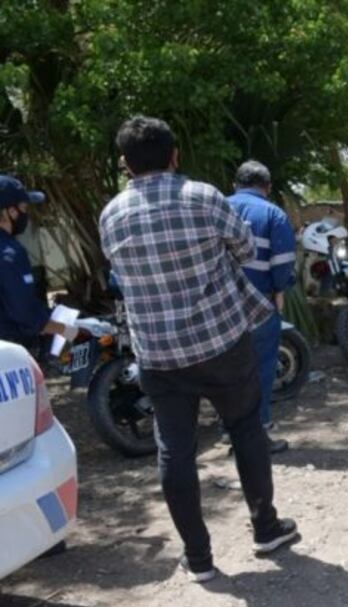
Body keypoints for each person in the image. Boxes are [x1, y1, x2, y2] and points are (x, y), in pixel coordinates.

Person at [99, 116, 297, 582]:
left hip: (158, 354)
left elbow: (118, 272)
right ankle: (266, 529)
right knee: (246, 430)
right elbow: (245, 251)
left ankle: (199, 558)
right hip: (221, 341)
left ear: (125, 164)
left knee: (175, 450)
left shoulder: (111, 214)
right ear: (175, 155)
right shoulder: (204, 196)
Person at [227, 160, 294, 454]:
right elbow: (283, 261)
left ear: (235, 185)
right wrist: (280, 289)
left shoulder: (216, 208)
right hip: (260, 304)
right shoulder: (272, 214)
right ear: (267, 187)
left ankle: (229, 431)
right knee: (260, 370)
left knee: (228, 373)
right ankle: (257, 435)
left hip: (218, 307)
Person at [0, 176, 78, 353]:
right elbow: (25, 314)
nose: (26, 214)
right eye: (24, 208)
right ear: (10, 211)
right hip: (9, 351)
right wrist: (70, 331)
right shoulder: (10, 253)